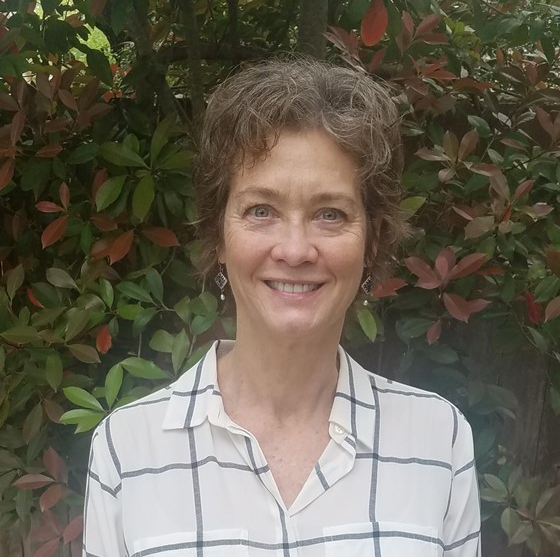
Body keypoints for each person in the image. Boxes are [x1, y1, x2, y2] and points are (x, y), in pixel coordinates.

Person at [83, 58, 481, 557]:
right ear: (219, 235)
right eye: (261, 210)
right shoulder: (127, 450)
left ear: (373, 241)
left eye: (330, 214)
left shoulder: (439, 440)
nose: (295, 250)